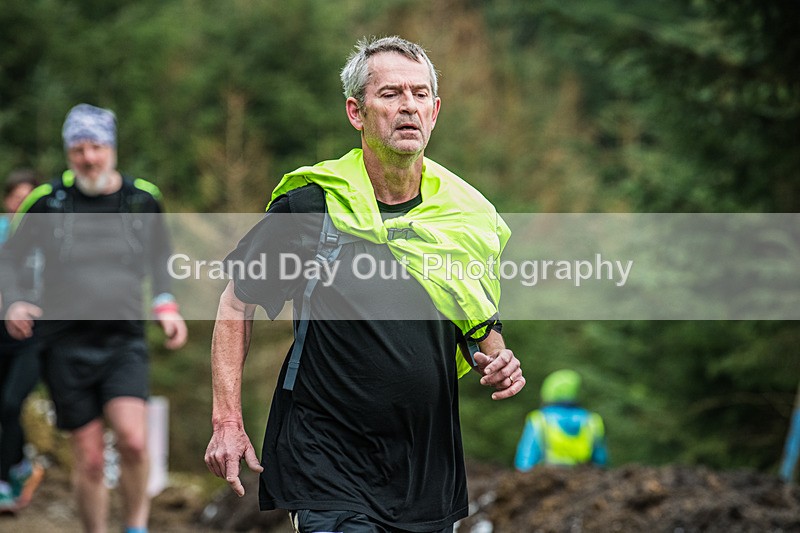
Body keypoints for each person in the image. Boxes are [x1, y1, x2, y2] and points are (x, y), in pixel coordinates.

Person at [204, 36, 525, 533]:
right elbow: (236, 301)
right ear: (356, 112)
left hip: (426, 471)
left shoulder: (467, 217)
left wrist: (500, 359)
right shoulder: (313, 206)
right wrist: (227, 419)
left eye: (420, 95)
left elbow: (477, 320)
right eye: (391, 94)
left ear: (436, 111)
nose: (408, 108)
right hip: (327, 461)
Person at [0, 103, 188, 533]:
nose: (88, 157)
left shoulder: (142, 198)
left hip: (124, 340)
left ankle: (136, 526)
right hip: (63, 344)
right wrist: (15, 300)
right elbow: (10, 255)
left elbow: (162, 256)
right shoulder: (47, 200)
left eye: (96, 147)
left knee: (134, 442)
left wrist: (165, 303)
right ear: (68, 152)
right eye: (79, 148)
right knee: (87, 459)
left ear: (112, 148)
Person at [0, 169, 45, 514]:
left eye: (26, 197)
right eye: (15, 197)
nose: (20, 204)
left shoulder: (50, 237)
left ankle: (9, 476)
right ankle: (19, 468)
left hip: (36, 337)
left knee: (11, 403)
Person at [514, 369, 608, 470]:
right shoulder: (592, 421)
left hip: (547, 480)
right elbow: (600, 461)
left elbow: (525, 461)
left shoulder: (540, 419)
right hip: (583, 480)